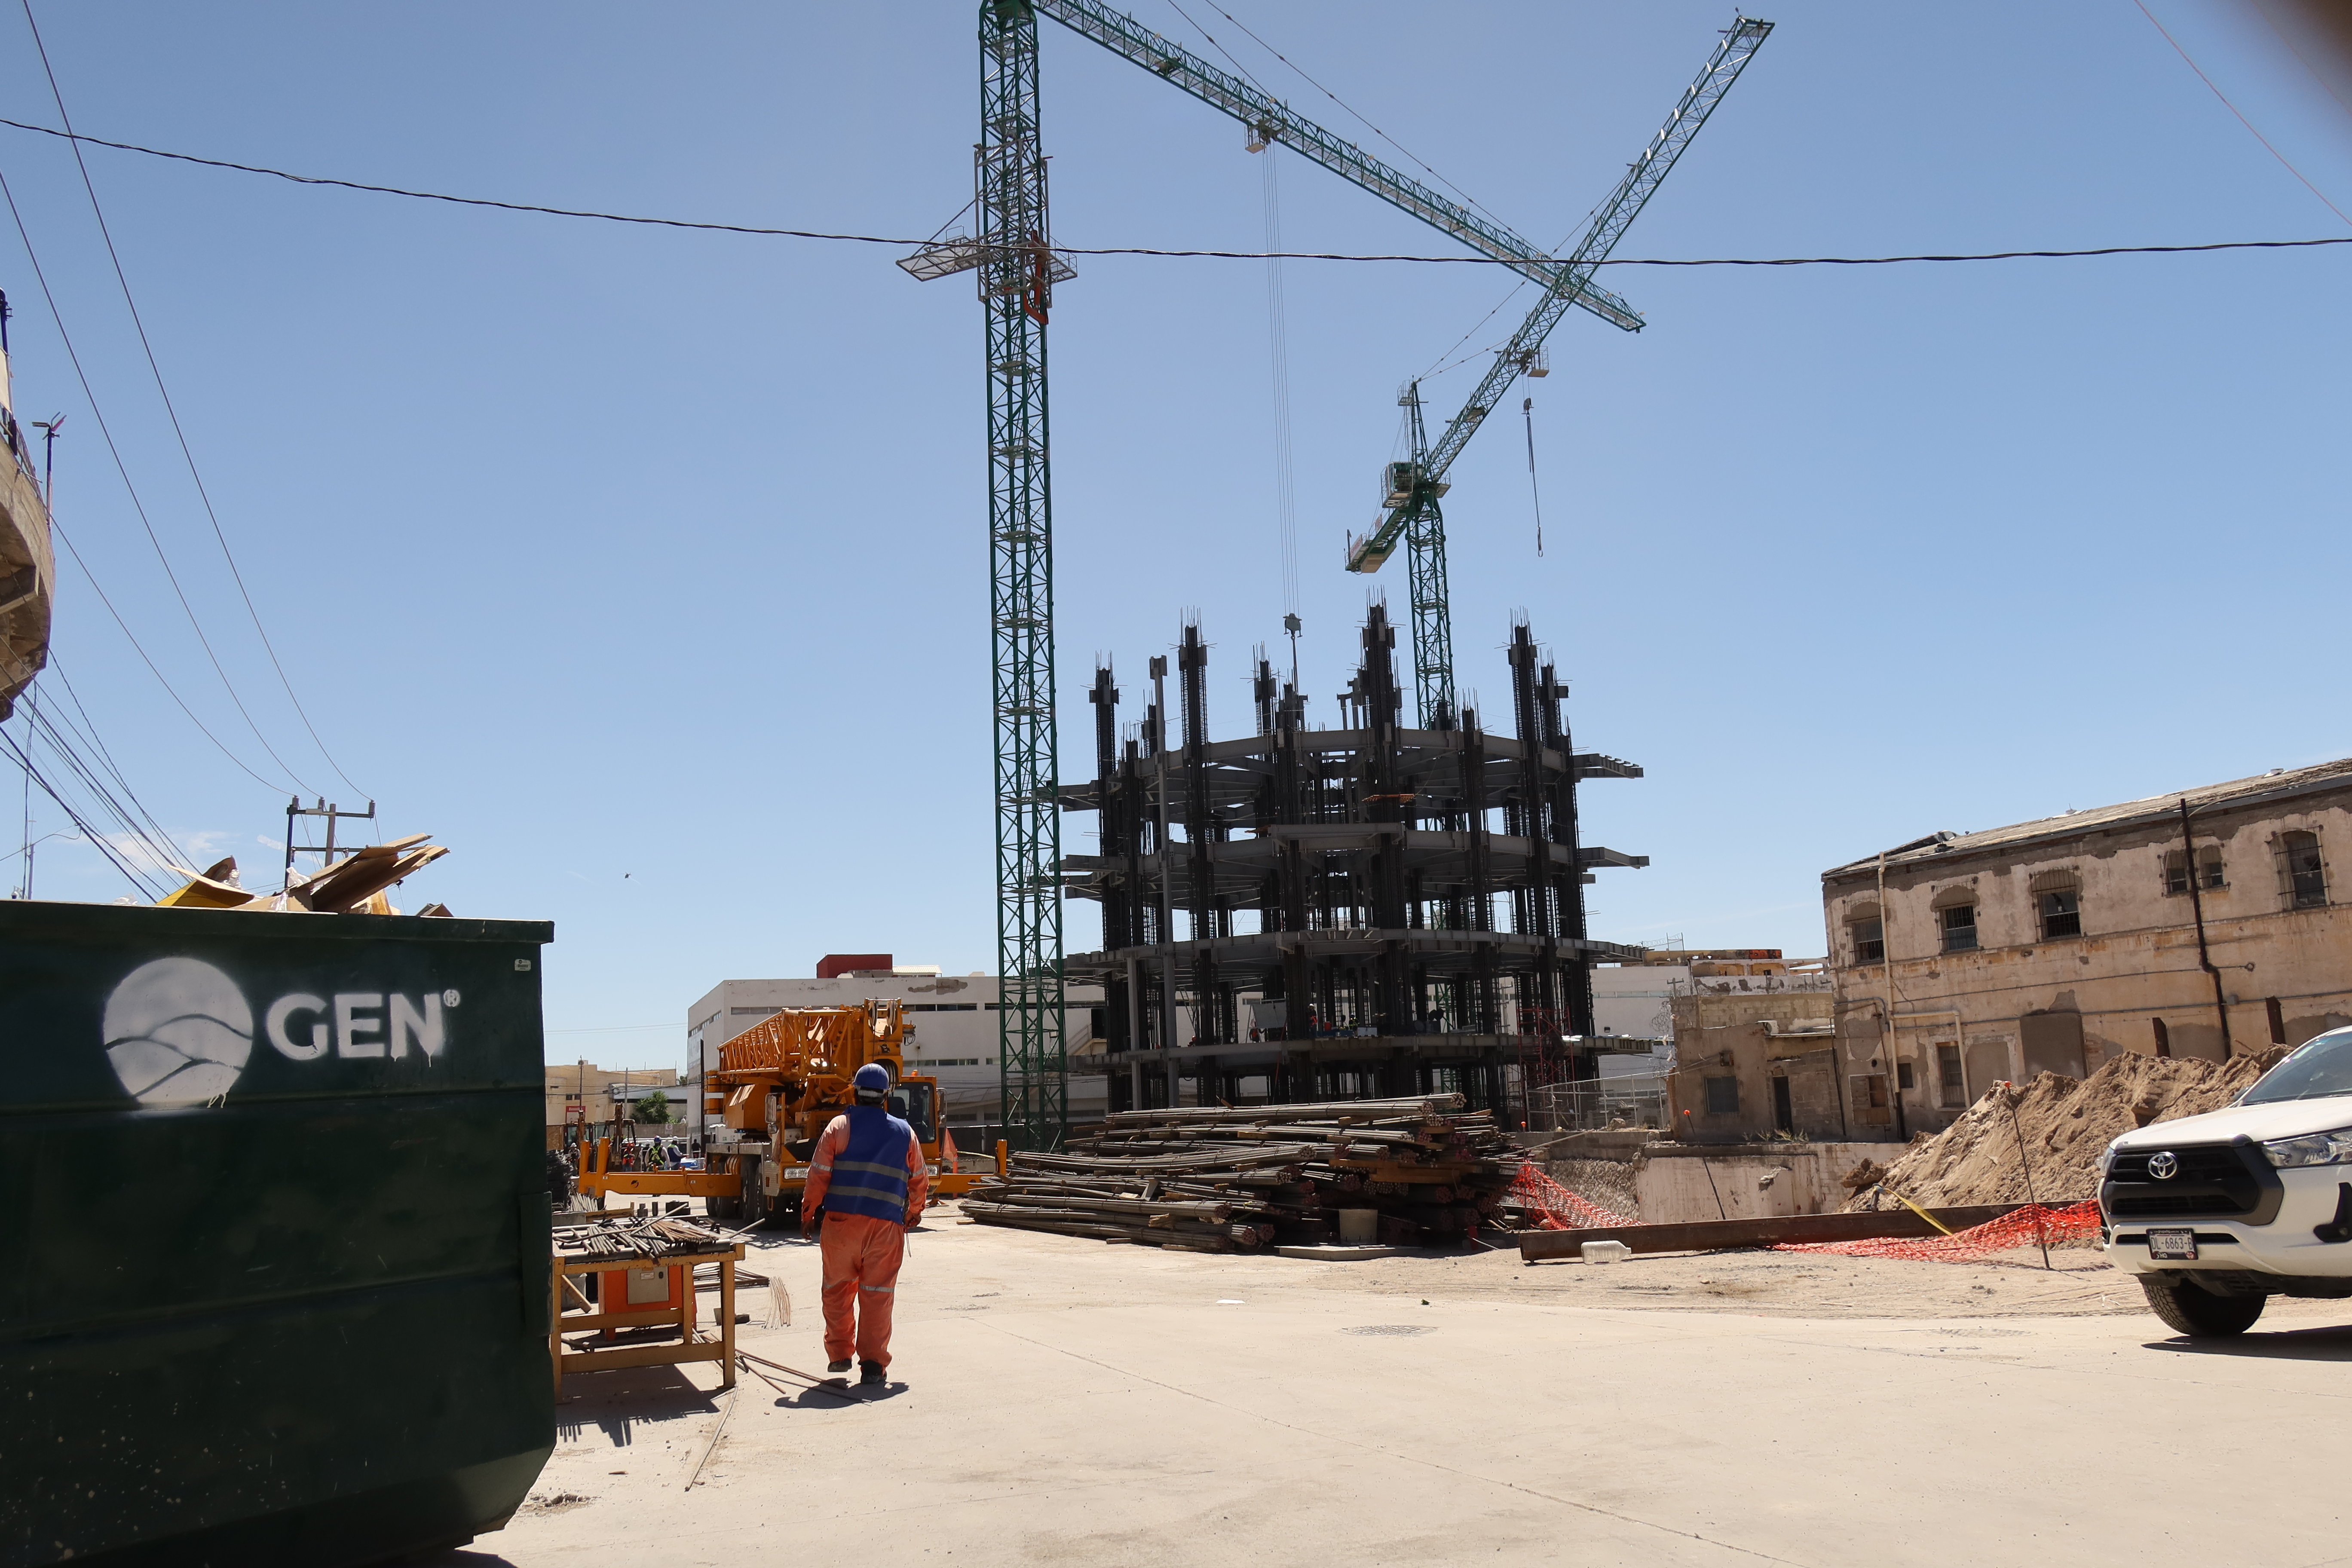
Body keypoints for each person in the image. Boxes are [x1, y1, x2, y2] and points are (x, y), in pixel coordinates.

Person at [800, 1063, 928, 1386]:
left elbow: (818, 1175)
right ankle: (872, 1365)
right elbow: (919, 1179)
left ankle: (840, 1354)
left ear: (855, 1092)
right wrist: (914, 1212)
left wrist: (808, 1212)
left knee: (837, 1290)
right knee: (877, 1295)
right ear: (887, 1096)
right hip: (886, 1229)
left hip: (841, 1226)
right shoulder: (905, 1133)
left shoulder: (838, 1128)